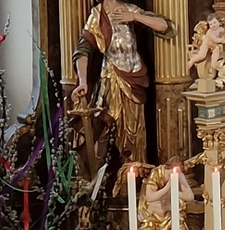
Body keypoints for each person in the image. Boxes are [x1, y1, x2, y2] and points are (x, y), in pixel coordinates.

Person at [71, 1, 177, 164]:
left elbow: (165, 27)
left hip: (134, 78)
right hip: (111, 78)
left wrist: (135, 17)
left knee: (135, 131)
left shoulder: (130, 9)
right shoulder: (97, 15)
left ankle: (136, 170)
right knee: (105, 126)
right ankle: (103, 172)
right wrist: (83, 81)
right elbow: (82, 50)